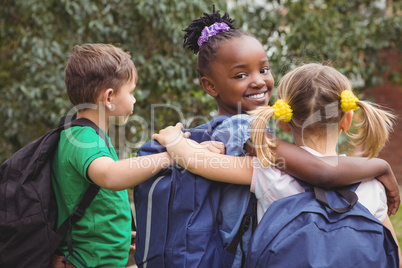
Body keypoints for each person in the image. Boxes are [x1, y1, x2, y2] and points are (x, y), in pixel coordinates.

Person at [140, 7, 400, 268]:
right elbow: (392, 252)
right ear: (348, 118)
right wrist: (378, 166)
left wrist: (174, 139)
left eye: (264, 69)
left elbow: (196, 161)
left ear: (284, 122)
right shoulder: (372, 187)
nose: (258, 81)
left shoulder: (267, 170)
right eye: (241, 75)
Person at [50, 43, 176, 268]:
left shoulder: (91, 137)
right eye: (131, 92)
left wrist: (118, 238)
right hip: (83, 262)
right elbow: (111, 176)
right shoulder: (83, 139)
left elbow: (96, 203)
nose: (134, 99)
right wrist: (171, 156)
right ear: (109, 97)